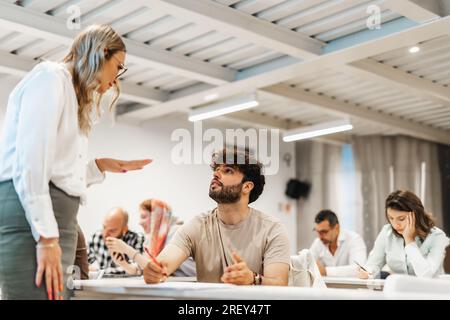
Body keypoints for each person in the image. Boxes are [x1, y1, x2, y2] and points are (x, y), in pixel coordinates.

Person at [0, 24, 151, 300]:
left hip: (59, 220)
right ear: (101, 53)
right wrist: (46, 237)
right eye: (118, 67)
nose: (116, 79)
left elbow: (60, 174)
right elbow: (30, 163)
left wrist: (99, 167)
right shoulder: (50, 79)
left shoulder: (72, 95)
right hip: (34, 221)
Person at [142, 147, 291, 285]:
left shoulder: (272, 229)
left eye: (228, 171)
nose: (216, 174)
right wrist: (154, 271)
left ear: (247, 186)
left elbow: (279, 283)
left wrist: (252, 278)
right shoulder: (197, 225)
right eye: (217, 169)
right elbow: (164, 264)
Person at [358, 190, 450, 279]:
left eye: (401, 219)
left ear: (416, 215)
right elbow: (373, 264)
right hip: (399, 291)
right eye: (391, 218)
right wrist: (368, 272)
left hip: (431, 291)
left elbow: (426, 275)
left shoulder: (437, 236)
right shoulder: (387, 232)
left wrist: (409, 241)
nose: (395, 225)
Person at [105, 199, 196, 277]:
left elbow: (156, 269)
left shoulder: (176, 232)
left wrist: (126, 249)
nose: (140, 222)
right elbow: (141, 270)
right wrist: (123, 263)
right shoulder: (152, 240)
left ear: (158, 216)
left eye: (144, 217)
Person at [310, 210, 367, 277]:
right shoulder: (318, 243)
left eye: (324, 232)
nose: (320, 236)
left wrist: (325, 271)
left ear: (337, 228)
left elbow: (359, 269)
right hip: (326, 287)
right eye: (318, 232)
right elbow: (307, 264)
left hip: (351, 287)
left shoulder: (354, 240)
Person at [88, 208, 145, 275]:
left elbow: (138, 270)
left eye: (112, 231)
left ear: (125, 229)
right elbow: (84, 265)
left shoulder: (137, 238)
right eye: (104, 227)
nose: (105, 234)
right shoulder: (96, 237)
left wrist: (99, 271)